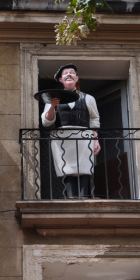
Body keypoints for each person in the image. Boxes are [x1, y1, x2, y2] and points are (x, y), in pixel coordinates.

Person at [41, 64, 101, 198]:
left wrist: (96, 139)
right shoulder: (53, 99)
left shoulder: (88, 98)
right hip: (63, 138)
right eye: (65, 73)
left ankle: (84, 196)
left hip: (84, 137)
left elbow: (94, 120)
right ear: (61, 80)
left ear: (77, 78)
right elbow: (46, 122)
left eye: (72, 72)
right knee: (67, 169)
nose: (69, 74)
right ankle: (71, 197)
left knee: (84, 168)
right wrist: (52, 107)